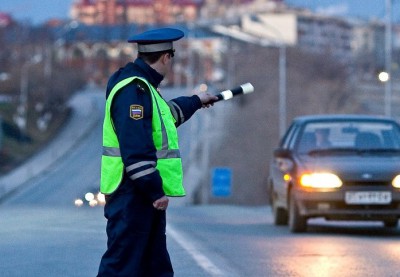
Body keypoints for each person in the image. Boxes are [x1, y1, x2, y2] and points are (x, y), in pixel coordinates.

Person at [97, 27, 218, 277]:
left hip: (140, 196)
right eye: (172, 57)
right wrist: (154, 190)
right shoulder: (133, 91)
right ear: (166, 57)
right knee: (122, 267)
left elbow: (166, 117)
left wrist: (196, 101)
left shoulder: (144, 89)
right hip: (132, 194)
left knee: (154, 267)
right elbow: (135, 148)